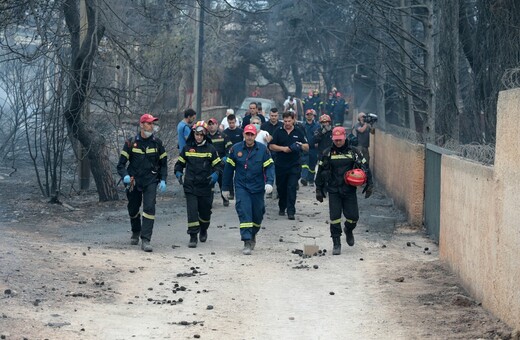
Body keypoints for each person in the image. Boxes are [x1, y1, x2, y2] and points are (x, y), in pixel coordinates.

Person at [315, 126, 373, 255]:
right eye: (336, 140)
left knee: (353, 217)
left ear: (344, 137)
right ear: (332, 139)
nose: (338, 142)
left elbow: (365, 168)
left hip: (349, 190)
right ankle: (336, 243)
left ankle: (348, 230)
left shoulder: (354, 152)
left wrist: (370, 185)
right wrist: (318, 189)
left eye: (340, 139)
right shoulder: (327, 153)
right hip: (334, 190)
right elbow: (320, 172)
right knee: (335, 218)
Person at [117, 113, 168, 252]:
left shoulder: (157, 143)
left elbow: (163, 164)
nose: (151, 126)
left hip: (151, 180)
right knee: (133, 208)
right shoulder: (130, 143)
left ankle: (146, 239)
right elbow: (120, 165)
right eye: (149, 123)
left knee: (149, 208)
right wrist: (125, 176)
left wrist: (163, 179)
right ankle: (136, 231)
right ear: (141, 125)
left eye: (153, 124)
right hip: (133, 180)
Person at [222, 124, 275, 255]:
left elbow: (269, 167)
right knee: (244, 212)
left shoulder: (263, 150)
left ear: (255, 135)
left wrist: (269, 182)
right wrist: (225, 188)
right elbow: (228, 170)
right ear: (243, 135)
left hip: (257, 188)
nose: (250, 137)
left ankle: (253, 234)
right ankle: (246, 241)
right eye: (247, 134)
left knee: (258, 214)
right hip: (242, 187)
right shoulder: (235, 149)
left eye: (252, 134)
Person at [174, 121, 223, 248]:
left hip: (206, 185)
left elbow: (218, 165)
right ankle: (193, 236)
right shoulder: (187, 148)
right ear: (193, 134)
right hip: (190, 185)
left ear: (205, 135)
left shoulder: (211, 149)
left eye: (201, 135)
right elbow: (179, 164)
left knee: (205, 213)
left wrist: (216, 174)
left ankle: (203, 229)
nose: (199, 137)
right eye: (197, 134)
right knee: (192, 211)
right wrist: (178, 172)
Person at [269, 111, 309, 220]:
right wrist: (284, 149)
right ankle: (282, 206)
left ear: (293, 120)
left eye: (289, 121)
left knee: (291, 187)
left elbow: (307, 146)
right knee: (281, 188)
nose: (287, 123)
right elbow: (271, 146)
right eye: (285, 121)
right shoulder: (278, 131)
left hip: (294, 164)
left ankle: (291, 211)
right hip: (281, 164)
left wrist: (299, 146)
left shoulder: (299, 131)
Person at [207, 117, 232, 207]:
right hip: (210, 165)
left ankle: (225, 199)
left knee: (223, 183)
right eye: (209, 124)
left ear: (217, 125)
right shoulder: (205, 137)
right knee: (210, 184)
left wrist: (226, 158)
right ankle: (209, 202)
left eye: (213, 124)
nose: (211, 126)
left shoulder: (223, 136)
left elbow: (230, 148)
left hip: (221, 164)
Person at [222, 114, 243, 200]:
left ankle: (240, 191)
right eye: (230, 123)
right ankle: (231, 192)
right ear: (227, 122)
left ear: (235, 121)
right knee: (229, 173)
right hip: (229, 156)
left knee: (239, 174)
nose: (231, 124)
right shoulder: (225, 133)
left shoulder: (240, 131)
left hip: (240, 156)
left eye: (233, 122)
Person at [301, 109, 320, 186]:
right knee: (304, 163)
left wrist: (318, 143)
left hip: (313, 148)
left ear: (313, 116)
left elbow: (319, 136)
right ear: (305, 116)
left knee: (312, 164)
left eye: (310, 114)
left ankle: (311, 180)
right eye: (307, 114)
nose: (309, 116)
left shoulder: (317, 126)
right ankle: (304, 178)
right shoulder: (302, 125)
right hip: (304, 147)